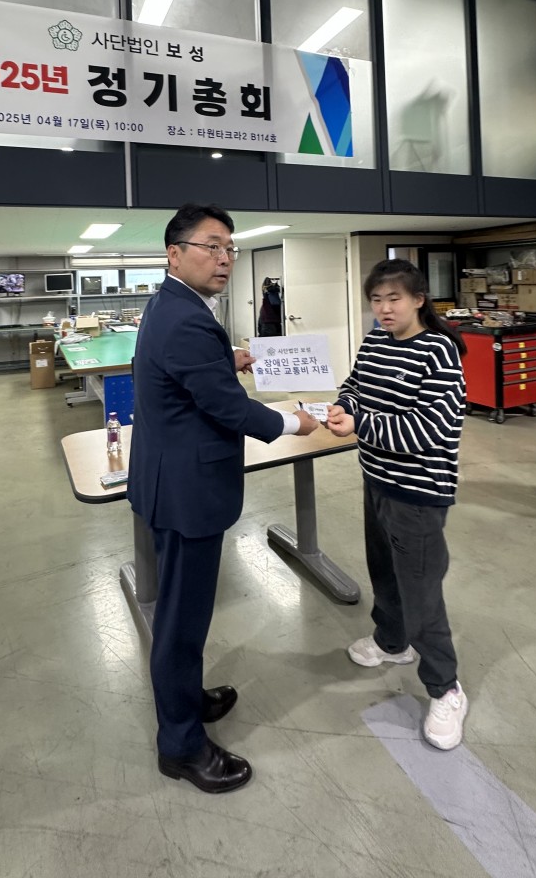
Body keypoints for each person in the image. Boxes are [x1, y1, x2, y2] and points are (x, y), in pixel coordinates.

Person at [127, 203, 318, 793]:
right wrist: (293, 422)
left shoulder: (171, 305)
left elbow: (186, 377)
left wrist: (223, 360)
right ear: (174, 252)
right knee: (182, 621)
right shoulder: (186, 318)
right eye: (211, 246)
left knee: (186, 612)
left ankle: (187, 699)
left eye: (229, 248)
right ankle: (181, 746)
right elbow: (225, 406)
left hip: (170, 480)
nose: (225, 258)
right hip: (187, 492)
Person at [326, 259, 469, 750]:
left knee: (421, 593)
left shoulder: (439, 351)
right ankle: (391, 642)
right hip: (377, 479)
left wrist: (360, 424)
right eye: (377, 300)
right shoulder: (376, 341)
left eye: (394, 299)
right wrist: (344, 405)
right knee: (384, 570)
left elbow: (430, 429)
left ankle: (445, 688)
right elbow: (355, 384)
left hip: (418, 492)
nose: (384, 309)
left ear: (418, 300)